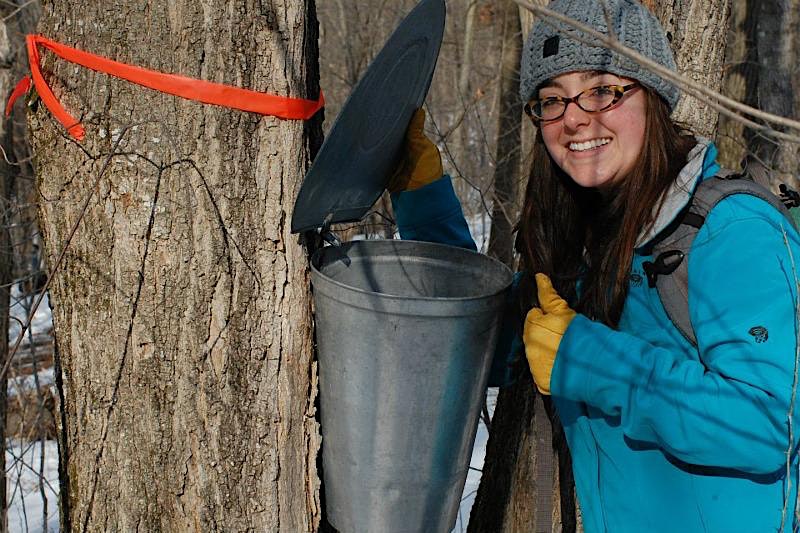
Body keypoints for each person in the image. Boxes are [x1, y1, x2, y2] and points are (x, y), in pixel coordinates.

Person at [388, 0, 800, 531]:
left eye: (603, 90)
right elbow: (487, 342)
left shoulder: (730, 232)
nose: (575, 117)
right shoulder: (592, 245)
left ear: (653, 97)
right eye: (551, 100)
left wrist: (589, 360)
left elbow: (769, 425)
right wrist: (423, 199)